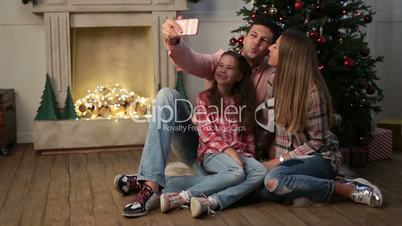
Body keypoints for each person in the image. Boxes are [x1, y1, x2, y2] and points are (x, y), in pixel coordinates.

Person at [114, 16, 281, 217]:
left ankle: (150, 180)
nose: (256, 42)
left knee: (235, 177)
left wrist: (272, 160)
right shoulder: (222, 60)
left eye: (264, 40)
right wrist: (175, 42)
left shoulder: (273, 77)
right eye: (253, 35)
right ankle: (150, 186)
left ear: (270, 47)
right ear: (244, 37)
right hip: (204, 147)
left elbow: (270, 124)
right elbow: (193, 61)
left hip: (233, 158)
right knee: (167, 95)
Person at [257, 30, 383, 208]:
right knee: (265, 190)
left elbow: (320, 142)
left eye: (276, 46)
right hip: (289, 160)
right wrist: (258, 155)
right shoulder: (273, 81)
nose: (270, 47)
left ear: (288, 55)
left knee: (274, 180)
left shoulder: (313, 92)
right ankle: (311, 188)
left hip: (319, 157)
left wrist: (280, 161)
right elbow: (269, 126)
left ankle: (346, 188)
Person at [159, 51, 266, 218]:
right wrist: (229, 151)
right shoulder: (205, 98)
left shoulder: (244, 101)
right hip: (212, 153)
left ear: (238, 76)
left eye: (229, 68)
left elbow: (248, 136)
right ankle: (182, 197)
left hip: (240, 154)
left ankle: (213, 201)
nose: (223, 70)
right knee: (237, 173)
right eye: (221, 65)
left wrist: (250, 159)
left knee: (260, 172)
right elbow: (207, 133)